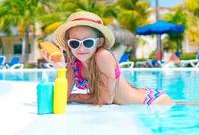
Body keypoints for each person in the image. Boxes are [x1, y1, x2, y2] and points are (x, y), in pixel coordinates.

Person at [41, 11, 174, 106]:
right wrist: (60, 69)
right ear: (69, 44)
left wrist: (75, 97)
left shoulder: (103, 56)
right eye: (74, 43)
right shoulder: (74, 64)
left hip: (152, 103)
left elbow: (106, 99)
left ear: (99, 43)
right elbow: (62, 97)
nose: (80, 49)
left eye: (87, 42)